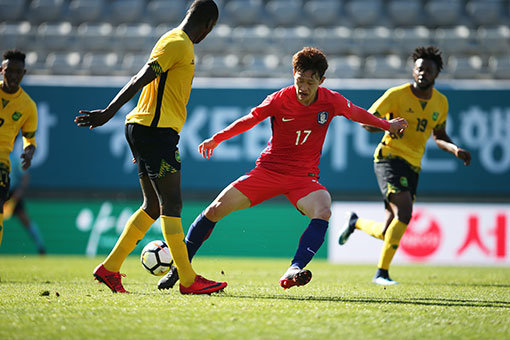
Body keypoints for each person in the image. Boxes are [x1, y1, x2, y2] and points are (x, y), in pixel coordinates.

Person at [157, 47, 408, 290]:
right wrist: (218, 138)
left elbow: (356, 114)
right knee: (214, 210)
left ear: (321, 80)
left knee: (323, 208)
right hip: (268, 172)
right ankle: (180, 268)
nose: (304, 87)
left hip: (303, 178)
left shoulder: (332, 101)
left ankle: (293, 270)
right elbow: (251, 118)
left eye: (311, 82)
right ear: (293, 75)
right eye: (300, 80)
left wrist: (387, 126)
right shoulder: (280, 98)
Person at [75, 0, 227, 294]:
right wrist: (108, 112)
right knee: (172, 204)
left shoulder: (175, 41)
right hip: (155, 133)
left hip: (146, 131)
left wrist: (136, 140)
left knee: (154, 206)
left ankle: (109, 268)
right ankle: (188, 279)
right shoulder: (177, 43)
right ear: (208, 25)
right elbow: (140, 78)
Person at [338, 46, 471, 285]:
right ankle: (382, 273)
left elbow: (439, 135)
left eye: (429, 70)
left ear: (436, 73)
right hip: (389, 157)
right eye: (420, 69)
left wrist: (454, 149)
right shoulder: (396, 95)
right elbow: (366, 121)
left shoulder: (441, 103)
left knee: (388, 229)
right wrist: (387, 126)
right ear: (413, 71)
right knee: (406, 212)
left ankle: (355, 222)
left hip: (413, 166)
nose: (423, 73)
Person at [0, 49, 37, 250]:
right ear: (1, 70)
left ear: (24, 73)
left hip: (2, 165)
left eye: (18, 72)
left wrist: (29, 152)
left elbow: (29, 139)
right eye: (9, 71)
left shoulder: (28, 106)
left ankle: (40, 246)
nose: (13, 76)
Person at [4, 152, 46, 255]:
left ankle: (41, 247)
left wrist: (19, 192)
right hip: (2, 192)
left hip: (12, 193)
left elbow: (25, 175)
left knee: (26, 221)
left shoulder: (13, 158)